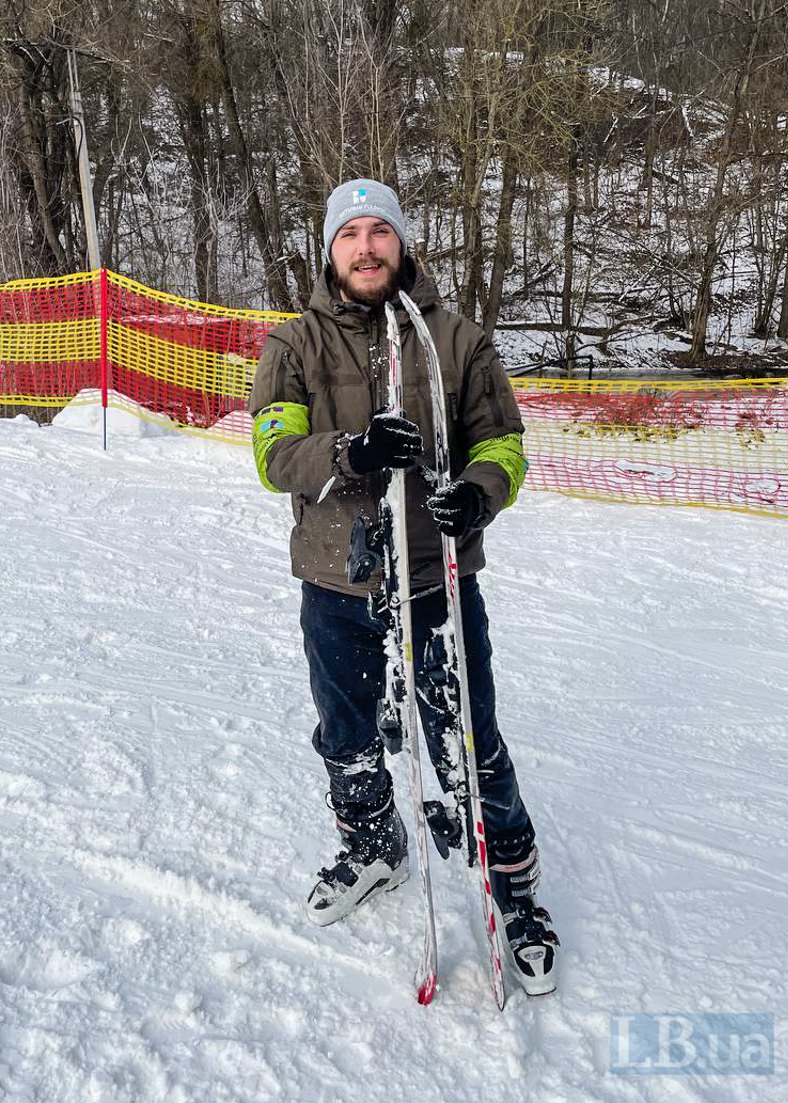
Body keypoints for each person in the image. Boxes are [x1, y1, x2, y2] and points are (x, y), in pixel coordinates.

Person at [248, 179, 559, 995]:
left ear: (401, 242)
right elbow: (272, 455)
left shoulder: (457, 340)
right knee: (346, 735)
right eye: (349, 232)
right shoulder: (293, 345)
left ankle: (514, 887)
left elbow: (507, 446)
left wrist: (479, 493)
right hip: (337, 585)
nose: (366, 246)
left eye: (378, 230)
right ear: (330, 248)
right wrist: (349, 451)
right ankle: (374, 846)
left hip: (438, 584)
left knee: (469, 741)